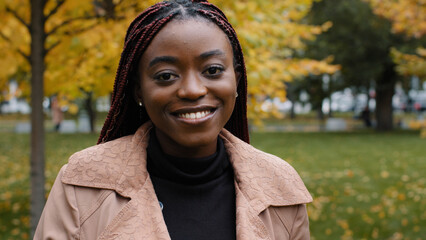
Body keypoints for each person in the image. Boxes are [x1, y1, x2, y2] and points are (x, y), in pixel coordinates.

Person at [35, 0, 312, 239]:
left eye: (213, 70)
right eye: (166, 75)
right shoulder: (82, 185)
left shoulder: (280, 186)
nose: (193, 90)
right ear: (138, 90)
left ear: (237, 80)